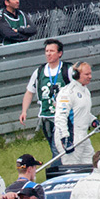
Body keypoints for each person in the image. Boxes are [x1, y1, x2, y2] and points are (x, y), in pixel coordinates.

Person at [19, 39, 71, 170]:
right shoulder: (39, 71)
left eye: (52, 51)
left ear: (60, 53)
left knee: (60, 148)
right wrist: (24, 111)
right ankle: (63, 170)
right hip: (46, 117)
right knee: (55, 148)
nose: (48, 54)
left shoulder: (67, 70)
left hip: (64, 116)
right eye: (46, 51)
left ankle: (59, 171)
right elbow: (29, 92)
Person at [54, 62, 98, 167]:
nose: (90, 77)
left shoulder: (85, 91)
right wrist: (65, 139)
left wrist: (94, 121)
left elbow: (82, 112)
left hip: (83, 135)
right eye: (87, 74)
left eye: (90, 74)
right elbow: (60, 117)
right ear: (76, 75)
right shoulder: (67, 92)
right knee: (73, 169)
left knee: (92, 166)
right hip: (70, 137)